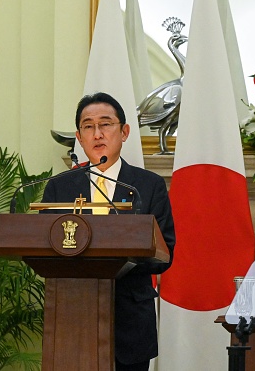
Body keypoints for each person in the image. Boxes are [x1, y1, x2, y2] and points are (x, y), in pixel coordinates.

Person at [41, 92, 176, 370]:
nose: (97, 133)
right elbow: (45, 247)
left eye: (106, 124)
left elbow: (166, 253)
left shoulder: (148, 186)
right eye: (88, 126)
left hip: (130, 322)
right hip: (74, 318)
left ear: (124, 132)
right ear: (79, 138)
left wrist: (119, 261)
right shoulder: (60, 187)